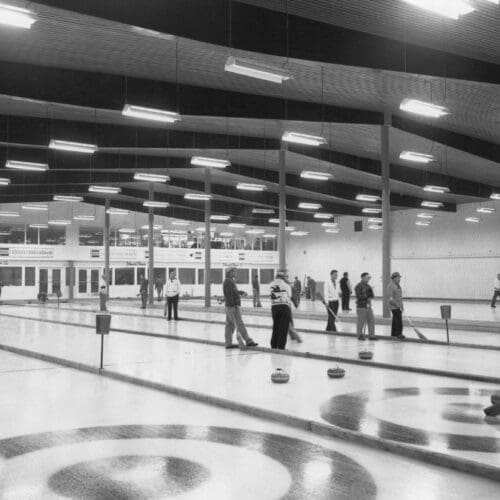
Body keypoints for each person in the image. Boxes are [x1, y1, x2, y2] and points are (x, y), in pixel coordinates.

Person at [223, 267, 258, 349]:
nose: (236, 273)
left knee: (229, 325)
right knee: (239, 324)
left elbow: (233, 292)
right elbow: (229, 295)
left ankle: (228, 343)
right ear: (230, 272)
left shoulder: (230, 281)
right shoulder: (228, 282)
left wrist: (241, 292)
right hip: (232, 307)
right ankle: (248, 341)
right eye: (234, 271)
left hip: (229, 307)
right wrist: (234, 306)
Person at [270, 269, 292, 349]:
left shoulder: (271, 284)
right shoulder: (286, 286)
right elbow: (290, 296)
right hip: (284, 307)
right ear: (283, 278)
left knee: (275, 326)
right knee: (283, 327)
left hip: (274, 307)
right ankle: (281, 346)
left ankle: (273, 344)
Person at [354, 272, 377, 341]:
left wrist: (370, 295)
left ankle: (371, 335)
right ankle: (360, 335)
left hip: (368, 306)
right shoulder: (358, 286)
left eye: (369, 278)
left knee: (371, 320)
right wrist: (366, 295)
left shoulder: (368, 286)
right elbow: (358, 296)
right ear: (363, 278)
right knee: (361, 322)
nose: (368, 279)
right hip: (361, 306)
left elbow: (372, 296)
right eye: (367, 278)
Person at [387, 272, 405, 339]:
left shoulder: (398, 285)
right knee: (398, 320)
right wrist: (397, 305)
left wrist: (402, 306)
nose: (399, 279)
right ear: (394, 278)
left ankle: (394, 333)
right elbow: (390, 299)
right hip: (394, 306)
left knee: (395, 320)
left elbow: (399, 297)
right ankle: (398, 333)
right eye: (398, 278)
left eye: (399, 278)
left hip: (398, 306)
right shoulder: (390, 286)